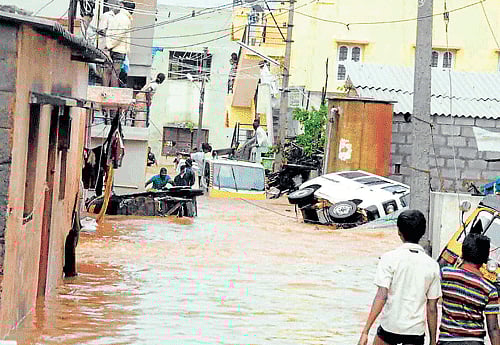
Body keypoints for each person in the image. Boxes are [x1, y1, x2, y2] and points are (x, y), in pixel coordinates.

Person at [358, 210, 441, 345]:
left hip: (390, 327)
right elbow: (432, 307)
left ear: (398, 232)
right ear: (423, 232)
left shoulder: (389, 258)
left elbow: (381, 296)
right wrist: (432, 341)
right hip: (415, 332)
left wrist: (365, 331)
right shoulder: (432, 265)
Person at [439, 233, 500, 345]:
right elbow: (493, 328)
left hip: (447, 341)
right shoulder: (489, 289)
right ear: (485, 259)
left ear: (462, 252)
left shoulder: (446, 274)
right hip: (474, 342)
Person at [103, 0, 135, 87]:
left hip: (112, 48)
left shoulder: (117, 16)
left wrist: (108, 45)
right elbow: (120, 35)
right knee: (115, 73)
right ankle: (113, 93)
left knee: (108, 70)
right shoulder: (125, 19)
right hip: (119, 49)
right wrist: (110, 45)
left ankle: (105, 89)